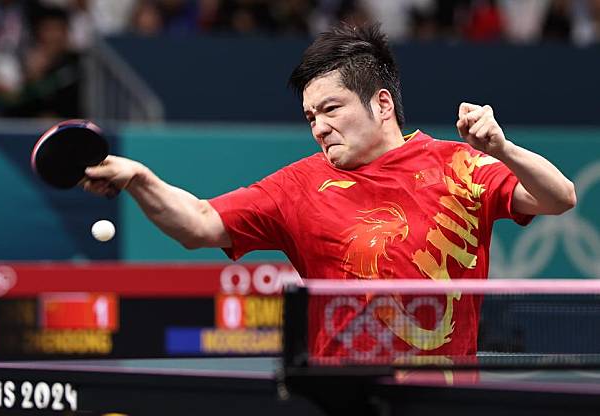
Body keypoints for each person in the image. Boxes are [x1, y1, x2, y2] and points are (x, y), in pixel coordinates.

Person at [83, 23, 576, 359]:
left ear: (381, 104)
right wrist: (142, 179)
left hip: (442, 397)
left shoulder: (460, 165)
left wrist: (503, 148)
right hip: (342, 395)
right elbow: (198, 225)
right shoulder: (298, 185)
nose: (318, 128)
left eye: (331, 109)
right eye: (310, 117)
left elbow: (560, 197)